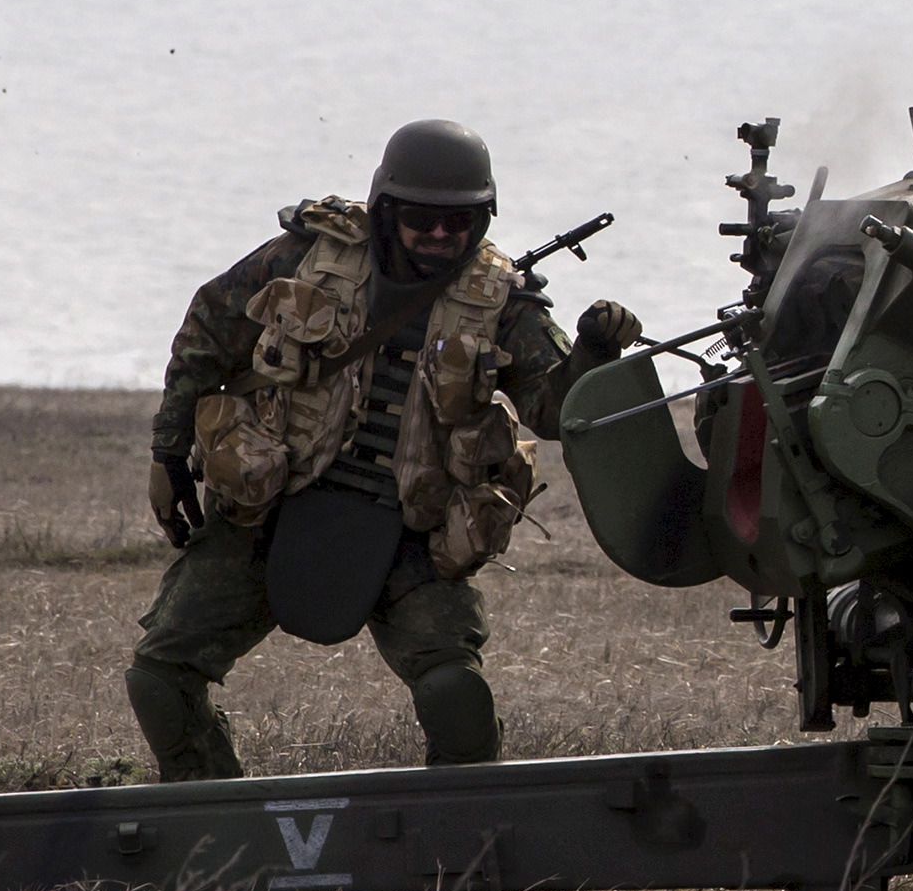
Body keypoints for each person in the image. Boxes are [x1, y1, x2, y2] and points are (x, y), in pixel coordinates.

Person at [131, 119, 638, 781]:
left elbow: (554, 408)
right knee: (160, 677)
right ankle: (220, 837)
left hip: (413, 532)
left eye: (458, 223)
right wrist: (169, 451)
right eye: (422, 220)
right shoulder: (303, 259)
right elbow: (207, 330)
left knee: (455, 693)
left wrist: (596, 353)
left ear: (481, 219)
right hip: (272, 506)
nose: (439, 236)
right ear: (389, 209)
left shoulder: (504, 302)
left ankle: (470, 859)